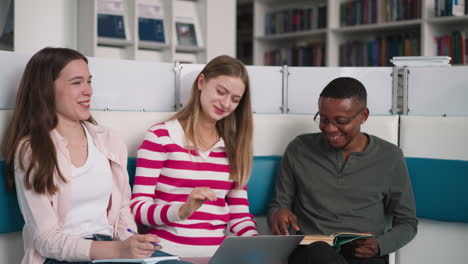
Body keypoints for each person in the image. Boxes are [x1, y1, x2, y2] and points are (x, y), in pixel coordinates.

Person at [2, 47, 161, 264]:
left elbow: (123, 208)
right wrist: (117, 250)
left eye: (89, 81)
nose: (88, 91)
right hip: (61, 257)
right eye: (76, 83)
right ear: (46, 89)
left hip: (111, 251)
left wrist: (133, 243)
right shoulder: (32, 150)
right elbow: (46, 240)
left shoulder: (109, 140)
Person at [268, 77, 418, 264]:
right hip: (312, 254)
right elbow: (278, 204)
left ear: (363, 116)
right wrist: (278, 214)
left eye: (341, 121)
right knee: (319, 254)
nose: (330, 129)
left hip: (365, 256)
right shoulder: (298, 148)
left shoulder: (390, 157)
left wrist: (380, 244)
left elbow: (408, 222)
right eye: (323, 119)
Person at [130, 55, 258, 257]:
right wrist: (183, 210)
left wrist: (259, 246)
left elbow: (239, 216)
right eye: (220, 92)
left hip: (217, 256)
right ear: (201, 82)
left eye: (235, 100)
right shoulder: (160, 136)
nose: (225, 104)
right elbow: (138, 209)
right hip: (168, 253)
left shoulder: (234, 148)